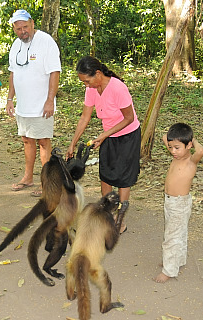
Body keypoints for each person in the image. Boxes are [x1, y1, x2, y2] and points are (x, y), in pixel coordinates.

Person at [66, 56, 141, 233]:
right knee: (106, 175)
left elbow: (129, 118)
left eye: (87, 80)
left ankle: (120, 221)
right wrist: (72, 143)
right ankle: (108, 214)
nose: (86, 84)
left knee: (123, 178)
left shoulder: (117, 88)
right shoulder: (92, 89)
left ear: (98, 74)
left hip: (127, 136)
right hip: (108, 136)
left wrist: (104, 135)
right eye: (83, 82)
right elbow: (85, 117)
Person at [6, 9, 61, 196]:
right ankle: (28, 177)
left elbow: (55, 72)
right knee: (27, 140)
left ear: (32, 24)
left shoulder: (46, 42)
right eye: (19, 28)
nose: (23, 31)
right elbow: (13, 73)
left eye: (25, 27)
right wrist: (9, 98)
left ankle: (46, 183)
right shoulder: (15, 45)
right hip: (23, 106)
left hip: (41, 105)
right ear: (14, 29)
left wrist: (50, 100)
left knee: (44, 143)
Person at [154, 123, 203, 283]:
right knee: (178, 233)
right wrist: (177, 140)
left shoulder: (191, 161)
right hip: (169, 202)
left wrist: (191, 139)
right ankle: (176, 260)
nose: (173, 151)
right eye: (171, 148)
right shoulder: (176, 156)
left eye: (177, 148)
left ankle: (169, 269)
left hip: (180, 204)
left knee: (172, 237)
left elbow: (201, 150)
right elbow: (165, 137)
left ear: (189, 145)